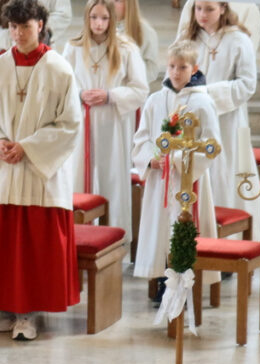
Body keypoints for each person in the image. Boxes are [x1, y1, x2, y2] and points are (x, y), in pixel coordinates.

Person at [0, 0, 80, 341]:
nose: (18, 34)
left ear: (40, 25)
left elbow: (70, 124)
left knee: (32, 248)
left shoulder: (60, 70)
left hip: (40, 173)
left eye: (25, 27)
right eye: (13, 27)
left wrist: (27, 146)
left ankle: (27, 314)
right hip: (2, 170)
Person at [131, 40, 221, 290]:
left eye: (182, 67)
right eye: (171, 66)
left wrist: (179, 160)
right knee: (160, 229)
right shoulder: (155, 100)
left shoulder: (203, 103)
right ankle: (162, 279)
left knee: (184, 228)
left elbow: (212, 145)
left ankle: (186, 282)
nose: (176, 72)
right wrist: (151, 159)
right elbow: (142, 138)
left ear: (194, 69)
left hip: (189, 181)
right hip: (160, 179)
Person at [62, 0, 147, 236]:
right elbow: (60, 86)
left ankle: (114, 237)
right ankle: (77, 237)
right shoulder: (73, 47)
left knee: (112, 178)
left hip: (113, 124)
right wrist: (80, 94)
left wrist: (110, 95)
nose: (98, 23)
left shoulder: (126, 48)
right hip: (81, 122)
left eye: (104, 18)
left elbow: (140, 89)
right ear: (86, 18)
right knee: (79, 176)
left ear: (112, 19)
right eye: (94, 17)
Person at [181, 0, 260, 232]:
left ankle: (229, 239)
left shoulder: (239, 40)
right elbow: (173, 73)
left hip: (227, 121)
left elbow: (247, 85)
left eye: (209, 9)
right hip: (193, 123)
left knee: (224, 175)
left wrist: (207, 94)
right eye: (198, 9)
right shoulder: (188, 39)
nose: (202, 15)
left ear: (223, 8)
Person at [112, 0, 159, 81]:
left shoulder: (146, 31)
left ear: (129, 4)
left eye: (117, 0)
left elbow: (152, 69)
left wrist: (132, 80)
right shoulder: (98, 28)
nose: (111, 3)